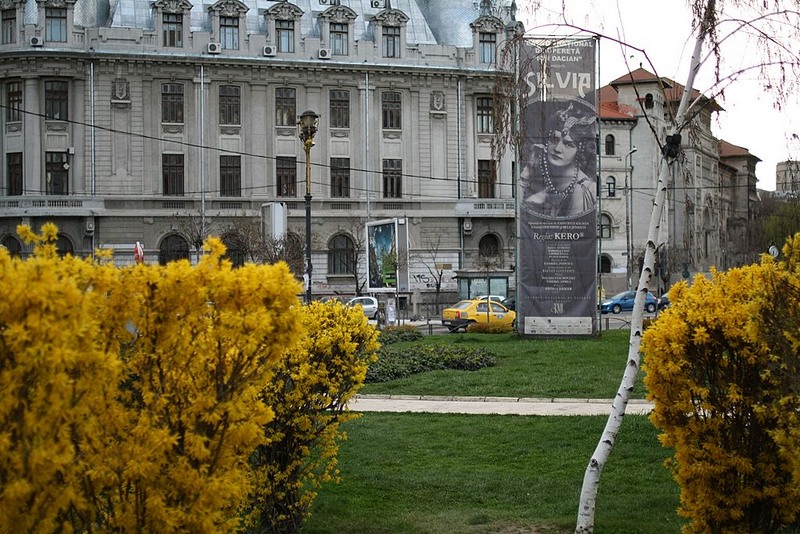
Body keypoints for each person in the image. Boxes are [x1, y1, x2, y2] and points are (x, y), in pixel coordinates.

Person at [520, 100, 597, 218]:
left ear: (580, 151)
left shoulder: (582, 190)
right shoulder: (548, 186)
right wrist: (528, 169)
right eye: (554, 139)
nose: (557, 149)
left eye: (568, 144)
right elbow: (520, 215)